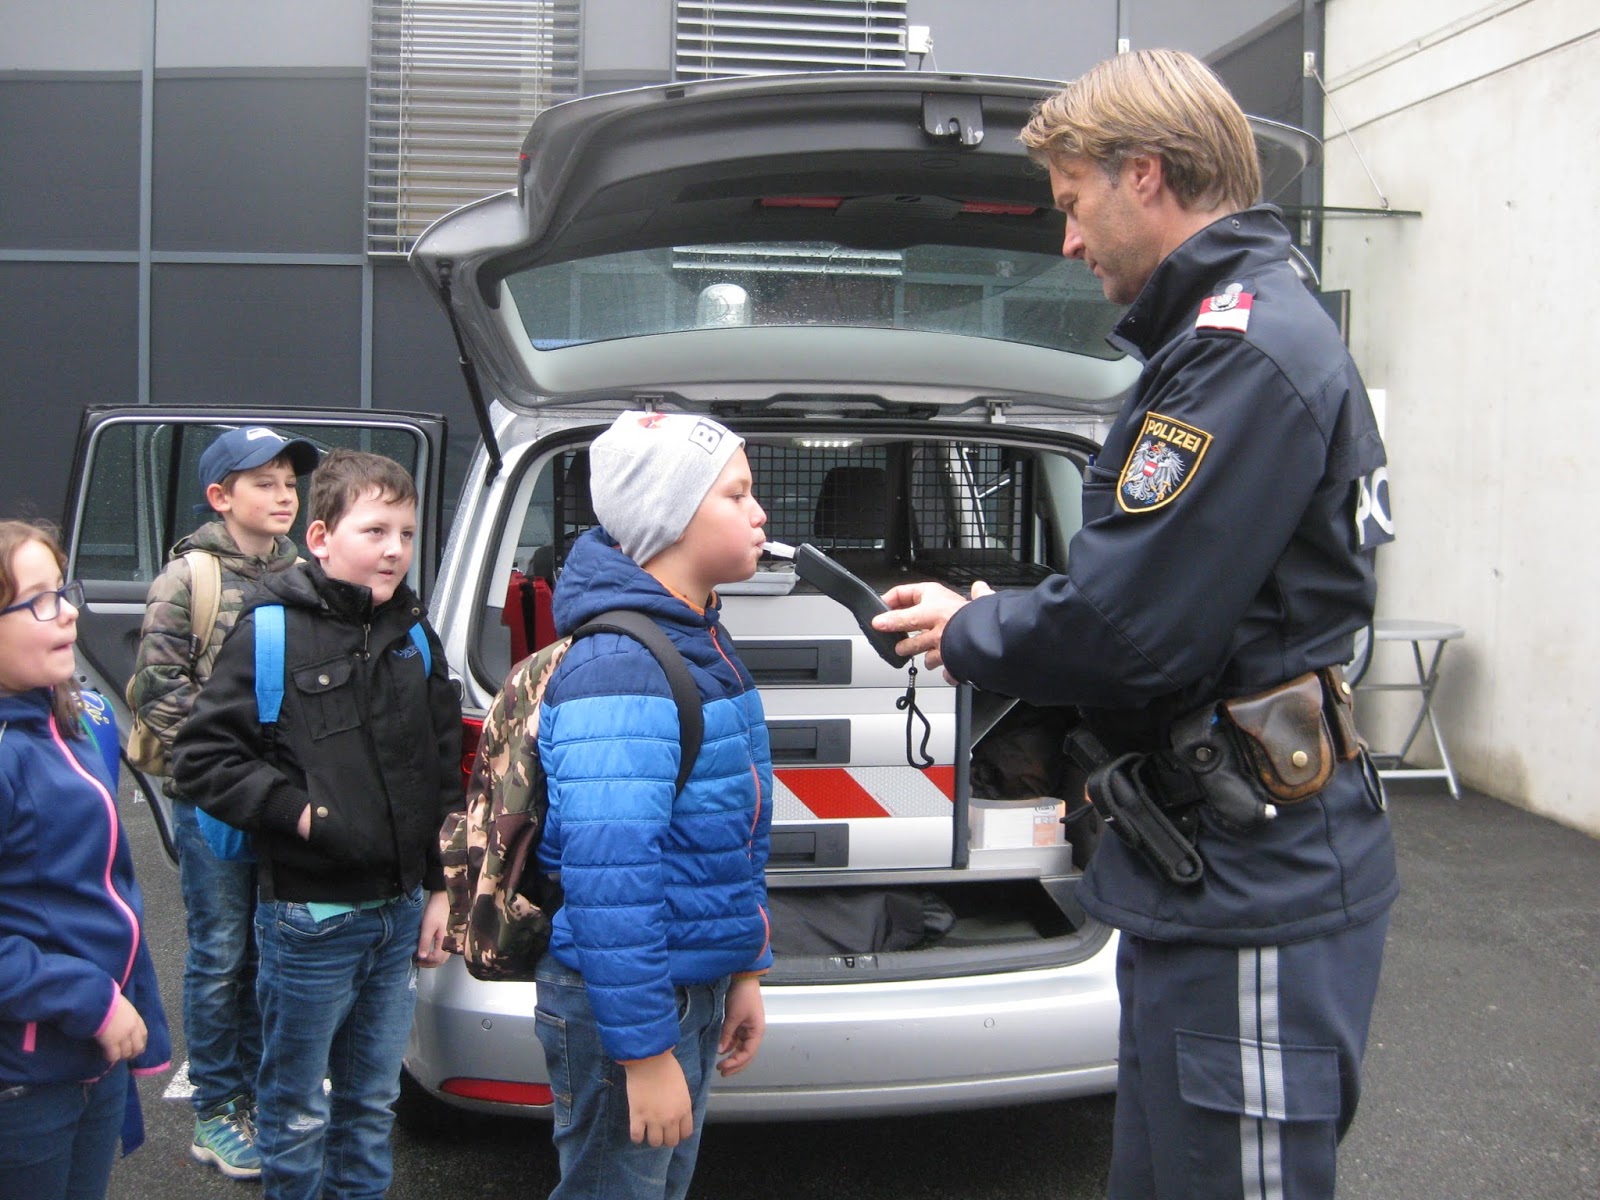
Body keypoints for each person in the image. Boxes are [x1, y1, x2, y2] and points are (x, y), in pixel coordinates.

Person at [872, 49, 1398, 1200]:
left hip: (1254, 876)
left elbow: (1129, 629)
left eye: (1071, 205)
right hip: (1201, 866)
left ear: (1144, 175)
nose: (1066, 241)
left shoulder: (1238, 354)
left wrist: (972, 631)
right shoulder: (1221, 342)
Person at [171, 449, 463, 1200]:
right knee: (296, 1114)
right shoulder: (269, 632)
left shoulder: (416, 639)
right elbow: (202, 759)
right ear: (324, 537)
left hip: (398, 918)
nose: (395, 548)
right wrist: (301, 813)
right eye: (375, 530)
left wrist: (438, 889)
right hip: (308, 920)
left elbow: (438, 773)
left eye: (404, 531)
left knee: (370, 1109)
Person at [533, 411, 774, 1200]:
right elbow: (612, 882)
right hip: (625, 1009)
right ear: (668, 519)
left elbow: (727, 840)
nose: (760, 512)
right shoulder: (620, 668)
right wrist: (641, 1054)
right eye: (736, 494)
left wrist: (741, 971)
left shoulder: (699, 639)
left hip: (682, 988)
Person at [126, 424, 318, 1179]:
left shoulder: (304, 570)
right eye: (265, 482)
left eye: (291, 484)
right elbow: (161, 697)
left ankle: (258, 1095)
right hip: (212, 802)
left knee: (271, 947)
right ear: (220, 496)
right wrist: (227, 781)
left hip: (279, 802)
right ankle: (213, 1109)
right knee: (218, 953)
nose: (283, 496)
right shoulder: (189, 580)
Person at [0, 520, 172, 1200]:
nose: (68, 610)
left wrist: (137, 1013)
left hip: (91, 1055)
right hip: (24, 1077)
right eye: (38, 599)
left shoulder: (81, 720)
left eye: (63, 589)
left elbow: (108, 891)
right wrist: (91, 1001)